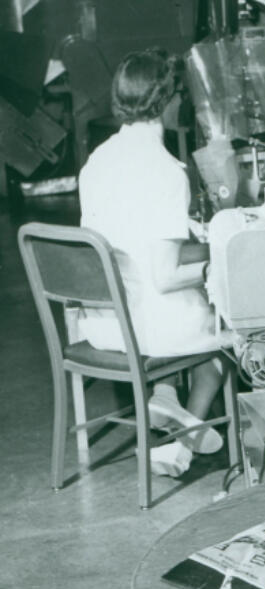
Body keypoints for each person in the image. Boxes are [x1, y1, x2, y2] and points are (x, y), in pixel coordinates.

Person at [78, 49, 225, 478]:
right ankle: (181, 444)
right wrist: (213, 267)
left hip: (104, 319)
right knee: (227, 334)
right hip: (146, 324)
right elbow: (164, 276)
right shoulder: (166, 172)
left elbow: (127, 242)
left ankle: (166, 397)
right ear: (169, 100)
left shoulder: (97, 160)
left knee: (197, 308)